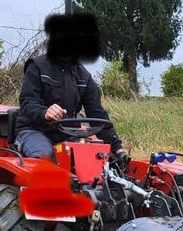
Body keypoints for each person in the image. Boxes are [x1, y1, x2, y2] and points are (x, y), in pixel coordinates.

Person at [15, 13, 127, 168]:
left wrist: (117, 148)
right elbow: (27, 102)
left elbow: (98, 114)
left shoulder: (84, 77)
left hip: (67, 134)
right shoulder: (37, 66)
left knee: (98, 158)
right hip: (34, 130)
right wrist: (44, 112)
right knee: (44, 156)